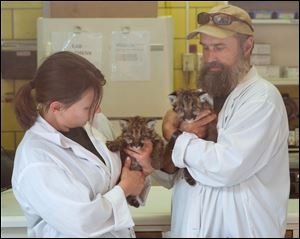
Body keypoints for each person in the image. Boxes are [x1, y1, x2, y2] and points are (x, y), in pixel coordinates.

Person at [134, 4, 290, 238]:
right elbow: (171, 175)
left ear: (247, 47)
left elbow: (227, 167)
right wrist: (158, 158)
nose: (210, 58)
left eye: (219, 48)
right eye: (205, 48)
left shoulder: (262, 99)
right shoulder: (201, 97)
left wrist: (175, 135)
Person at [12, 51, 153, 238]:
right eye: (88, 107)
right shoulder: (36, 160)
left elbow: (121, 178)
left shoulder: (96, 124)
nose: (98, 110)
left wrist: (142, 170)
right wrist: (126, 188)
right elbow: (82, 223)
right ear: (56, 107)